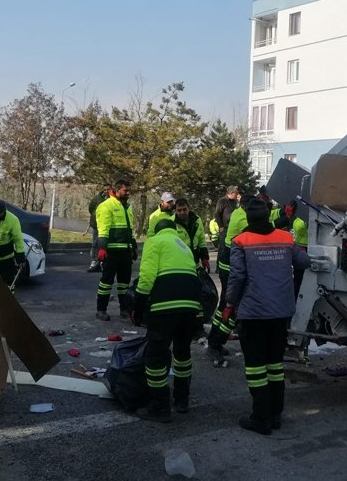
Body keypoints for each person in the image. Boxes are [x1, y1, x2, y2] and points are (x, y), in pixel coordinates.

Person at [224, 199, 310, 435]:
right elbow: (304, 261)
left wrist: (230, 303)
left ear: (249, 220)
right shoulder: (285, 238)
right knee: (274, 364)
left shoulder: (241, 241)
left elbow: (237, 277)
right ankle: (275, 414)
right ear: (268, 218)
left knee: (255, 367)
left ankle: (261, 417)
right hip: (281, 312)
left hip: (253, 313)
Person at [131, 218, 201, 422]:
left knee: (155, 357)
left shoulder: (155, 242)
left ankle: (159, 406)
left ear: (157, 231)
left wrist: (138, 306)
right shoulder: (184, 246)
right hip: (190, 305)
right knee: (182, 352)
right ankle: (182, 400)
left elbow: (147, 277)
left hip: (165, 306)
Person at [207, 193, 253, 366]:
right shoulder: (243, 219)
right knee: (231, 307)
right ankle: (216, 342)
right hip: (232, 267)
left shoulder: (238, 213)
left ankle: (215, 341)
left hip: (228, 263)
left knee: (224, 306)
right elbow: (264, 227)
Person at [95, 179, 137, 321]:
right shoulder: (106, 206)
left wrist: (133, 246)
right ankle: (101, 310)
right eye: (125, 190)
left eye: (129, 190)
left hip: (125, 251)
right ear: (117, 190)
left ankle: (124, 309)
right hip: (111, 251)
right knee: (106, 282)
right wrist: (102, 248)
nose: (128, 193)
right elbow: (103, 229)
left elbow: (129, 229)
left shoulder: (128, 207)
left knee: (124, 283)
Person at [173, 199, 209, 272]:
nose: (182, 212)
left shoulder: (197, 220)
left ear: (188, 208)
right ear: (175, 211)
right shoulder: (171, 222)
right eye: (179, 210)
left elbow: (201, 240)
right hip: (179, 260)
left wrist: (204, 258)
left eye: (184, 209)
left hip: (195, 258)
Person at [87, 184, 111, 273]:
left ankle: (103, 262)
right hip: (97, 224)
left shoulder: (113, 200)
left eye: (109, 189)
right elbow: (91, 208)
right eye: (106, 189)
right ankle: (94, 261)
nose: (107, 191)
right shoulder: (97, 198)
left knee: (105, 243)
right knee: (95, 242)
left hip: (107, 224)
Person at [212, 186, 239, 252]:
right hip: (225, 228)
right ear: (232, 193)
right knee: (223, 248)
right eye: (236, 193)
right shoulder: (222, 201)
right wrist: (221, 227)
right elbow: (217, 214)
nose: (237, 194)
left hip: (234, 229)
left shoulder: (236, 201)